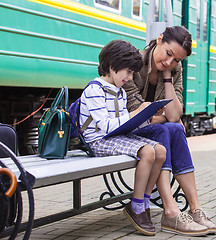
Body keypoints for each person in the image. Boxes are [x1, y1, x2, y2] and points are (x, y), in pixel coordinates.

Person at [124, 26, 216, 236]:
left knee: (173, 128)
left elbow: (174, 115)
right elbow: (133, 112)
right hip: (129, 132)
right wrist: (160, 115)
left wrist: (167, 77)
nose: (169, 62)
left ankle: (195, 208)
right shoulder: (134, 64)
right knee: (165, 130)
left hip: (154, 132)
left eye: (176, 60)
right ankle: (170, 209)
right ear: (159, 40)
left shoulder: (174, 70)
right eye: (168, 54)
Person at [79, 40, 166, 236]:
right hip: (98, 141)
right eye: (128, 71)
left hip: (114, 137)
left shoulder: (119, 91)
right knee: (147, 152)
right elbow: (106, 126)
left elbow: (124, 124)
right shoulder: (95, 90)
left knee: (160, 151)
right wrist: (137, 113)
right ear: (112, 66)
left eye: (132, 73)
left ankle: (143, 202)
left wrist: (149, 115)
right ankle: (136, 207)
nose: (130, 77)